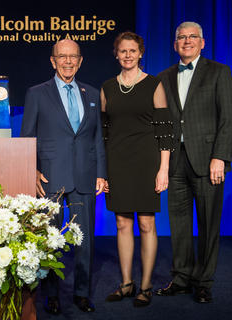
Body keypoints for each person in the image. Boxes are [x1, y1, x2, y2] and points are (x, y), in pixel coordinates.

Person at [20, 39, 107, 315]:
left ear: (80, 61)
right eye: (62, 57)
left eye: (73, 57)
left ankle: (82, 293)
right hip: (49, 178)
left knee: (85, 240)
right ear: (53, 60)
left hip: (85, 175)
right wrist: (30, 169)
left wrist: (101, 174)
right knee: (49, 239)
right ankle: (52, 294)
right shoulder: (36, 93)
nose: (68, 61)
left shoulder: (91, 93)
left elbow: (97, 139)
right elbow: (27, 136)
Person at [156, 21, 232, 303]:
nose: (187, 41)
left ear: (203, 43)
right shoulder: (163, 76)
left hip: (207, 162)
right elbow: (163, 122)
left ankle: (204, 281)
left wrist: (220, 157)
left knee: (208, 225)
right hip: (175, 162)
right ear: (174, 44)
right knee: (178, 225)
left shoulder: (219, 72)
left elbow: (227, 118)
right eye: (181, 37)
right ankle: (181, 278)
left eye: (193, 37)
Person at [100, 32, 173, 307]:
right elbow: (104, 133)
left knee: (146, 222)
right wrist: (103, 170)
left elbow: (166, 131)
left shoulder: (154, 84)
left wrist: (163, 169)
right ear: (116, 54)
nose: (128, 55)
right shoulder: (107, 87)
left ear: (140, 53)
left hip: (146, 162)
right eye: (123, 51)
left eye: (133, 51)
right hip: (117, 162)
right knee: (122, 223)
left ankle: (146, 286)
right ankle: (127, 283)